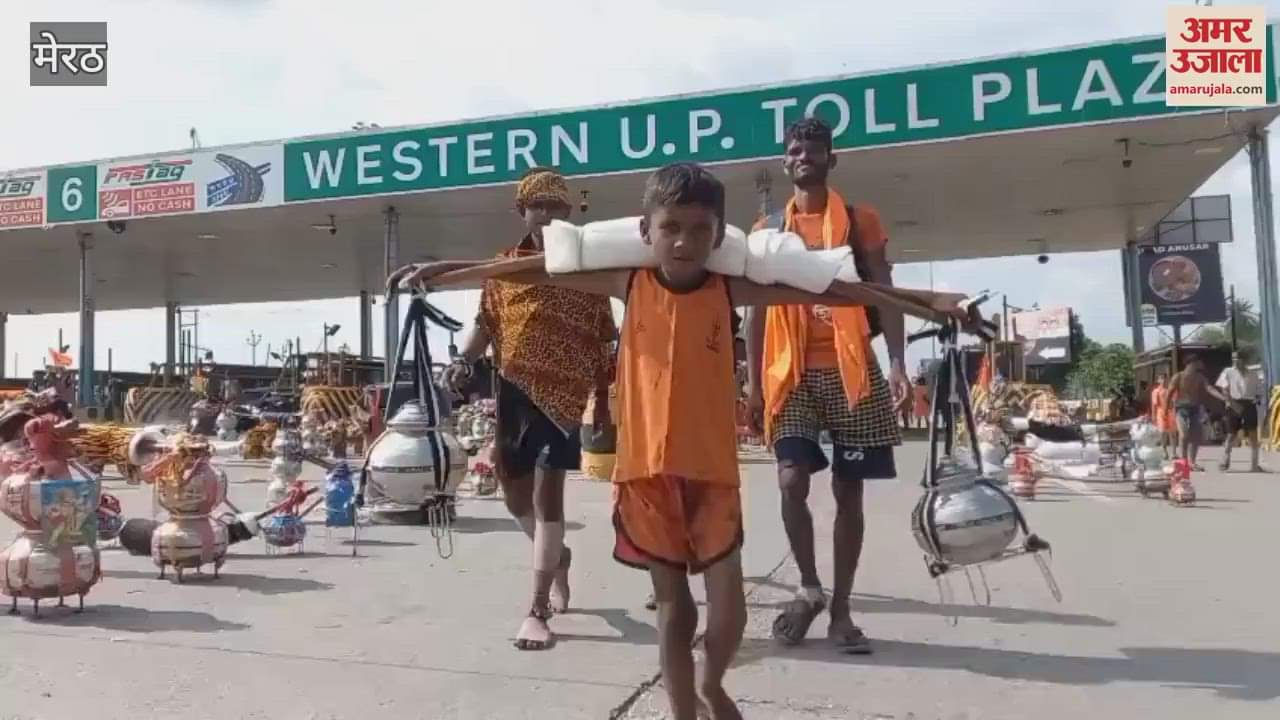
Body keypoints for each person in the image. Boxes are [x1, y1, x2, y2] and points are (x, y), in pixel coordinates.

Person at [398, 163, 973, 720]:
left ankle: (709, 682)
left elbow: (839, 291)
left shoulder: (729, 289)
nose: (683, 241)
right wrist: (441, 273)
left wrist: (933, 303)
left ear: (719, 235)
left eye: (700, 229)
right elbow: (532, 271)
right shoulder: (627, 281)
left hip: (713, 476)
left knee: (730, 615)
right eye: (670, 227)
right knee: (676, 612)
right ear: (646, 231)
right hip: (646, 478)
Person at [392, 167, 615, 651]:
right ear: (522, 211)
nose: (549, 215)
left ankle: (537, 608)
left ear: (570, 212)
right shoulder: (502, 271)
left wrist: (603, 401)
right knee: (514, 499)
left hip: (565, 398)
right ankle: (558, 558)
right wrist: (462, 360)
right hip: (514, 390)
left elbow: (603, 340)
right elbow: (486, 324)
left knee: (548, 497)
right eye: (539, 206)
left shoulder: (587, 266)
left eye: (558, 207)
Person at [744, 117, 908, 654]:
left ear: (831, 159)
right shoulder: (768, 227)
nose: (803, 157)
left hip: (850, 367)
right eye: (795, 150)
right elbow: (755, 310)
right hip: (788, 372)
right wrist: (752, 384)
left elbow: (885, 290)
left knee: (848, 491)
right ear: (785, 161)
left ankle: (841, 610)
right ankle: (810, 588)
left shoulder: (861, 221)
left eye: (813, 150)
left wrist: (899, 362)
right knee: (791, 479)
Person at [1168, 355, 1226, 471]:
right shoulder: (1178, 376)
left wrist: (1223, 398)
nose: (1201, 364)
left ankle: (1192, 462)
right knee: (1184, 436)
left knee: (1195, 436)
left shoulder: (1200, 377)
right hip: (1181, 409)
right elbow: (1170, 392)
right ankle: (1183, 462)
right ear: (1192, 363)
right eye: (1199, 361)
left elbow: (1209, 388)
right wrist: (1166, 409)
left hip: (1194, 408)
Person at [1216, 352, 1267, 473]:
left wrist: (1257, 399)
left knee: (1253, 434)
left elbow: (1259, 391)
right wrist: (1230, 402)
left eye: (1238, 358)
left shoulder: (1253, 374)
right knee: (1231, 433)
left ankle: (1254, 465)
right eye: (1233, 358)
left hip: (1249, 404)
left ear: (1244, 360)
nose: (1235, 361)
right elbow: (1224, 388)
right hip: (1234, 403)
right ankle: (1225, 459)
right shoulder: (1228, 372)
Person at [1150, 374, 1176, 459]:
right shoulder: (1156, 391)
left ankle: (1174, 453)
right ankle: (1164, 452)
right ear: (1158, 380)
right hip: (1161, 412)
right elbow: (1154, 405)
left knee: (1172, 433)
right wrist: (1153, 415)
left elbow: (1174, 402)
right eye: (1161, 379)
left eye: (1165, 379)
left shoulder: (1171, 390)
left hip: (1170, 412)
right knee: (1162, 433)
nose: (1164, 380)